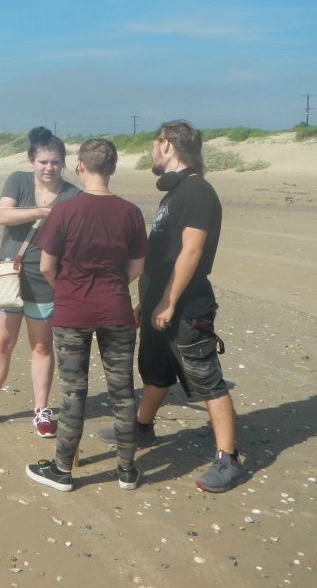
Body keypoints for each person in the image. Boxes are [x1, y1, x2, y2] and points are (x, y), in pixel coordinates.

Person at [99, 120, 247, 493]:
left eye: (153, 144)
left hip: (186, 306)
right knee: (156, 369)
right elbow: (162, 255)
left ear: (166, 145)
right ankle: (142, 427)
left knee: (206, 379)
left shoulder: (197, 192)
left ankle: (228, 458)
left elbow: (192, 251)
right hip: (159, 302)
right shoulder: (176, 194)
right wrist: (145, 300)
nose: (152, 151)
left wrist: (168, 300)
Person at [24, 139, 147, 492]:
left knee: (73, 392)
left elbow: (47, 266)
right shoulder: (130, 212)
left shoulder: (66, 210)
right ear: (113, 168)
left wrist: (69, 286)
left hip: (73, 309)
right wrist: (111, 284)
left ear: (79, 166)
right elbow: (137, 266)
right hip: (115, 308)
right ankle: (126, 469)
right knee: (122, 392)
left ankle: (63, 470)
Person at [0, 127, 79, 436]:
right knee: (2, 342)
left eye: (56, 162)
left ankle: (41, 409)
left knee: (42, 346)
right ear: (32, 160)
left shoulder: (73, 195)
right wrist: (43, 212)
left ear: (63, 163)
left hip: (46, 279)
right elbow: (3, 215)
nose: (49, 168)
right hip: (9, 274)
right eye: (44, 161)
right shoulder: (18, 181)